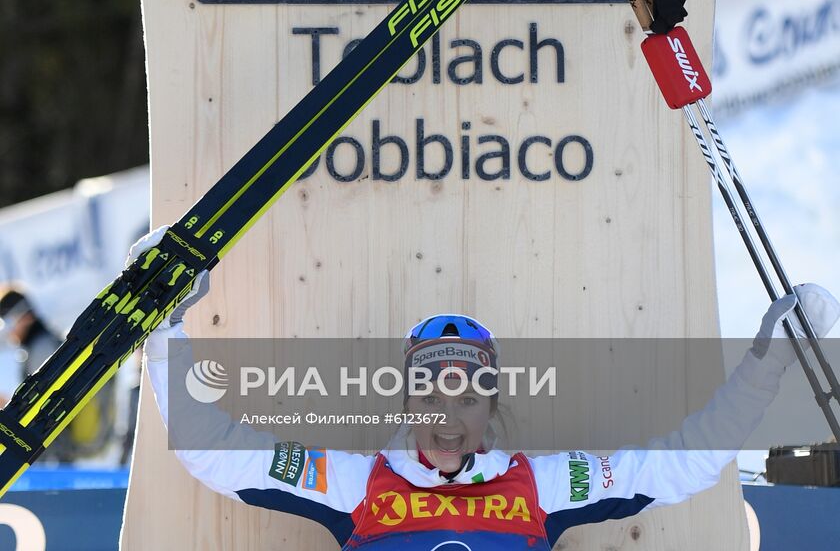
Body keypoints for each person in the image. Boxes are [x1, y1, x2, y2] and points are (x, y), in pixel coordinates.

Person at [135, 228, 839, 547]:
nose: (448, 417)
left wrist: (766, 360)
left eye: (467, 396)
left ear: (492, 403)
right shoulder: (352, 484)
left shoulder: (545, 484)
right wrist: (164, 331)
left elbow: (687, 460)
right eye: (432, 394)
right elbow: (209, 448)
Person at [0, 283, 117, 461]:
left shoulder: (42, 348)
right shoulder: (42, 345)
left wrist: (9, 410)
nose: (7, 332)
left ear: (25, 317)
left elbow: (43, 405)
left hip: (63, 450)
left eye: (7, 322)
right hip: (70, 448)